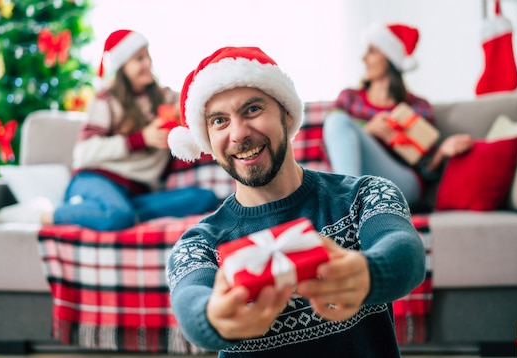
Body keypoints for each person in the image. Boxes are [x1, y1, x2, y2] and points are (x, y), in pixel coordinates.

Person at [165, 46, 425, 357]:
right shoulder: (198, 244)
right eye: (219, 121)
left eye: (252, 110)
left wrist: (368, 273)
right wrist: (214, 317)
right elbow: (191, 301)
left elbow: (404, 252)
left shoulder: (366, 195)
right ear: (207, 139)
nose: (238, 134)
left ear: (287, 115)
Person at [40, 29, 219, 231]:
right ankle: (47, 215)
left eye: (147, 56)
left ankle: (117, 213)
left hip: (138, 192)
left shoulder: (166, 97)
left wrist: (186, 112)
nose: (148, 64)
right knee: (118, 215)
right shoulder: (106, 100)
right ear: (122, 67)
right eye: (139, 59)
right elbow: (83, 152)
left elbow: (201, 104)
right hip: (96, 179)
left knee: (205, 198)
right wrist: (142, 138)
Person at [323, 23, 473, 207]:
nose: (363, 58)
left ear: (389, 58)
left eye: (372, 51)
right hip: (358, 176)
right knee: (337, 121)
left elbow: (426, 170)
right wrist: (368, 130)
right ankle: (351, 203)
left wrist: (441, 153)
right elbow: (330, 145)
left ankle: (346, 207)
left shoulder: (418, 107)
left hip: (402, 183)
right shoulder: (349, 98)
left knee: (339, 121)